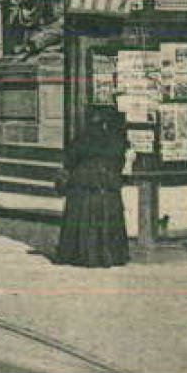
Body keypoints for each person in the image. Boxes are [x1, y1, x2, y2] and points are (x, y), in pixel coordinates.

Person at [54, 106, 130, 268]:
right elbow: (119, 161)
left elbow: (70, 159)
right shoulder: (115, 141)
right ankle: (111, 254)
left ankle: (78, 254)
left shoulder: (81, 139)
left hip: (83, 183)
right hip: (106, 183)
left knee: (82, 219)